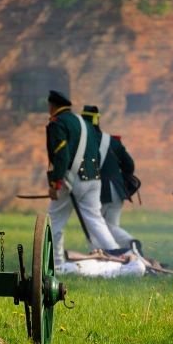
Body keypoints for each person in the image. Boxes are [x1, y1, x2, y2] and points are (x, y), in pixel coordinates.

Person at [45, 91, 121, 265]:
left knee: (53, 222)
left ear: (52, 106)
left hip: (72, 179)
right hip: (93, 178)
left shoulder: (58, 123)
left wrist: (55, 185)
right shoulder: (84, 123)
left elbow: (62, 156)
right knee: (96, 221)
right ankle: (119, 257)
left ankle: (56, 264)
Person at [80, 105, 142, 252]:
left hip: (98, 192)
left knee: (93, 225)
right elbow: (129, 166)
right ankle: (130, 242)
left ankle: (98, 257)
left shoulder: (83, 143)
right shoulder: (113, 141)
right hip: (118, 189)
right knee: (112, 226)